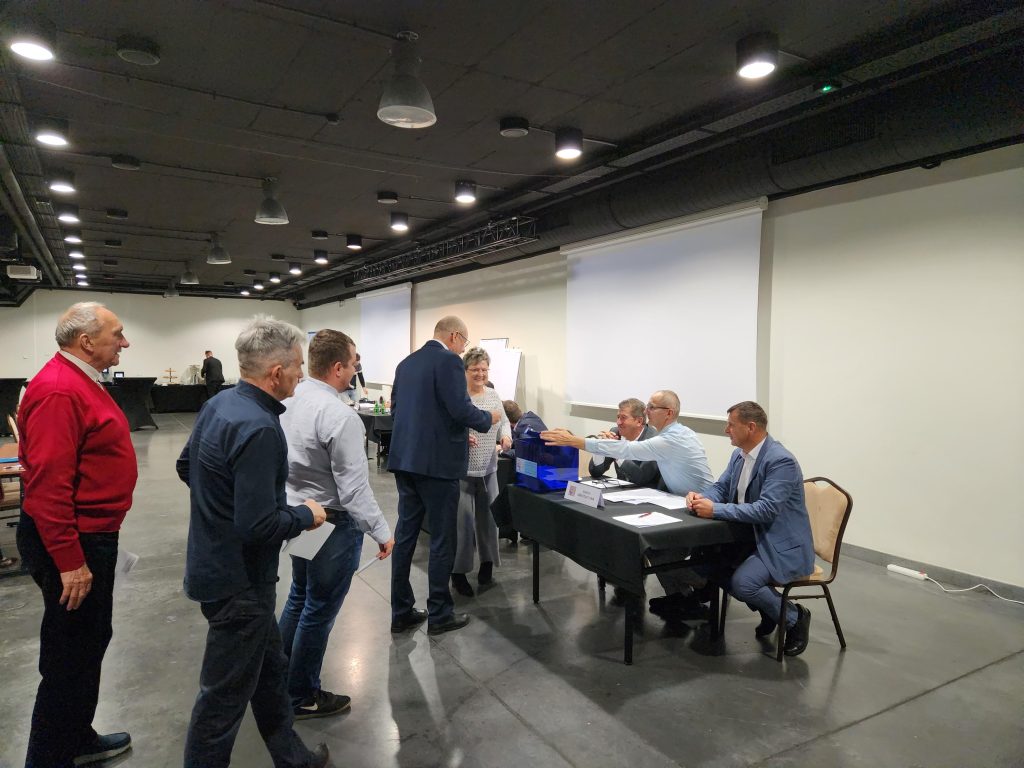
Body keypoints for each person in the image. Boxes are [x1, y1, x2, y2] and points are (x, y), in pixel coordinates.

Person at [178, 316, 329, 768]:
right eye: (298, 366)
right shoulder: (260, 428)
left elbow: (187, 467)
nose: (302, 374)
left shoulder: (220, 404)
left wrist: (222, 509)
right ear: (277, 372)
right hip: (239, 584)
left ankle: (293, 758)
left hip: (219, 568)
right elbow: (259, 525)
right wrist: (306, 514)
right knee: (222, 701)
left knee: (269, 671)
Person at [16, 301, 136, 767]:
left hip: (91, 535)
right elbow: (48, 486)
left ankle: (76, 738)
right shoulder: (61, 390)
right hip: (75, 540)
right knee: (69, 656)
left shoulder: (78, 381)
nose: (124, 342)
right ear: (86, 342)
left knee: (88, 642)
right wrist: (70, 560)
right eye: (117, 334)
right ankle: (48, 757)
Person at [278, 329, 394, 720]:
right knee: (319, 609)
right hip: (332, 522)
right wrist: (382, 531)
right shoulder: (340, 416)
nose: (357, 368)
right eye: (354, 361)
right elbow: (354, 491)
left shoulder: (289, 401)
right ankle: (301, 695)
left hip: (300, 515)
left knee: (299, 595)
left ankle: (278, 678)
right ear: (339, 367)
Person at [388, 316, 500, 636]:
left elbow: (397, 411)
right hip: (438, 467)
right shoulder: (449, 361)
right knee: (442, 539)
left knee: (406, 536)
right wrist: (488, 418)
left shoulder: (406, 364)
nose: (463, 348)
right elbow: (460, 409)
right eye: (464, 342)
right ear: (454, 336)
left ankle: (401, 611)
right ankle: (439, 613)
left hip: (405, 461)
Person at [687, 401, 815, 656]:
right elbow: (722, 487)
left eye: (731, 425)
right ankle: (770, 609)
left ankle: (794, 617)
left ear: (751, 427)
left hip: (778, 543)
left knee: (744, 583)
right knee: (703, 563)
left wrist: (715, 510)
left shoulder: (781, 461)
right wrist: (702, 497)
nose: (726, 430)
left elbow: (766, 509)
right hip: (749, 537)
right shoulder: (739, 455)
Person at [542, 390, 712, 497]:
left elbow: (628, 452)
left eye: (652, 407)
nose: (646, 411)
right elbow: (596, 471)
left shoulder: (669, 439)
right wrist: (604, 447)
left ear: (669, 413)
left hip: (699, 501)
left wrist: (572, 440)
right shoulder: (673, 434)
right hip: (683, 499)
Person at [451, 347, 512, 597]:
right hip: (463, 472)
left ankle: (487, 564)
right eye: (475, 369)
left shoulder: (493, 395)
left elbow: (504, 421)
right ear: (465, 371)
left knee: (489, 521)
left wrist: (506, 436)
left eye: (484, 369)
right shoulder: (458, 396)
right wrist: (461, 437)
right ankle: (459, 572)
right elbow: (448, 426)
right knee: (462, 525)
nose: (480, 374)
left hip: (489, 469)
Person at [587, 397, 661, 488]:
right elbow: (595, 472)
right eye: (618, 417)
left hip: (649, 493)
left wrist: (617, 451)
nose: (618, 422)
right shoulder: (615, 433)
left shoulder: (654, 441)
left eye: (623, 418)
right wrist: (600, 448)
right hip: (621, 492)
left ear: (639, 421)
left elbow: (641, 478)